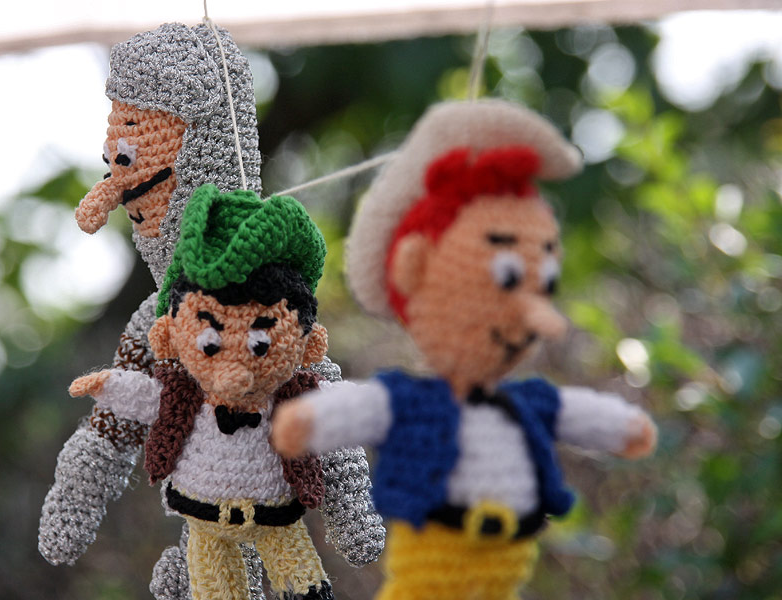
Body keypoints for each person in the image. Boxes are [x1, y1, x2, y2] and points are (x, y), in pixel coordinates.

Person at [272, 100, 657, 600]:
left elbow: (575, 414)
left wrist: (623, 427)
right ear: (414, 268)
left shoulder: (529, 402)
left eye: (542, 282)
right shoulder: (410, 401)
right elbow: (362, 408)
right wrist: (310, 421)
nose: (535, 316)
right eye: (508, 278)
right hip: (432, 560)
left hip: (508, 561)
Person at [70, 183, 338, 600]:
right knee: (214, 585)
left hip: (277, 515)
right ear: (170, 336)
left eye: (259, 342)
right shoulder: (182, 396)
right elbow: (149, 398)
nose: (234, 371)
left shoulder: (295, 398)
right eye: (211, 342)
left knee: (303, 580)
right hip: (202, 513)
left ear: (309, 343)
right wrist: (110, 385)